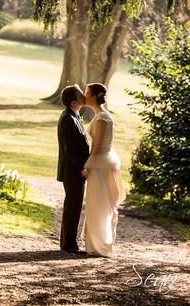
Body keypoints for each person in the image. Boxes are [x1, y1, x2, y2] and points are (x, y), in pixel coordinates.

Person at [81, 83, 125, 257]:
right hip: (101, 163)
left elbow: (98, 147)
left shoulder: (102, 118)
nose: (84, 96)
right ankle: (95, 245)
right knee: (97, 204)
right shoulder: (99, 115)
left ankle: (100, 246)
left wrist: (88, 165)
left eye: (86, 93)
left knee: (98, 205)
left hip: (100, 165)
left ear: (93, 96)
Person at [57, 84, 90, 255]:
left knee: (73, 205)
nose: (84, 95)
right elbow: (70, 150)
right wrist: (83, 168)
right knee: (73, 206)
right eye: (80, 94)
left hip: (74, 170)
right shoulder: (68, 119)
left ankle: (67, 242)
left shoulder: (73, 116)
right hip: (73, 170)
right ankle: (69, 244)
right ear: (73, 101)